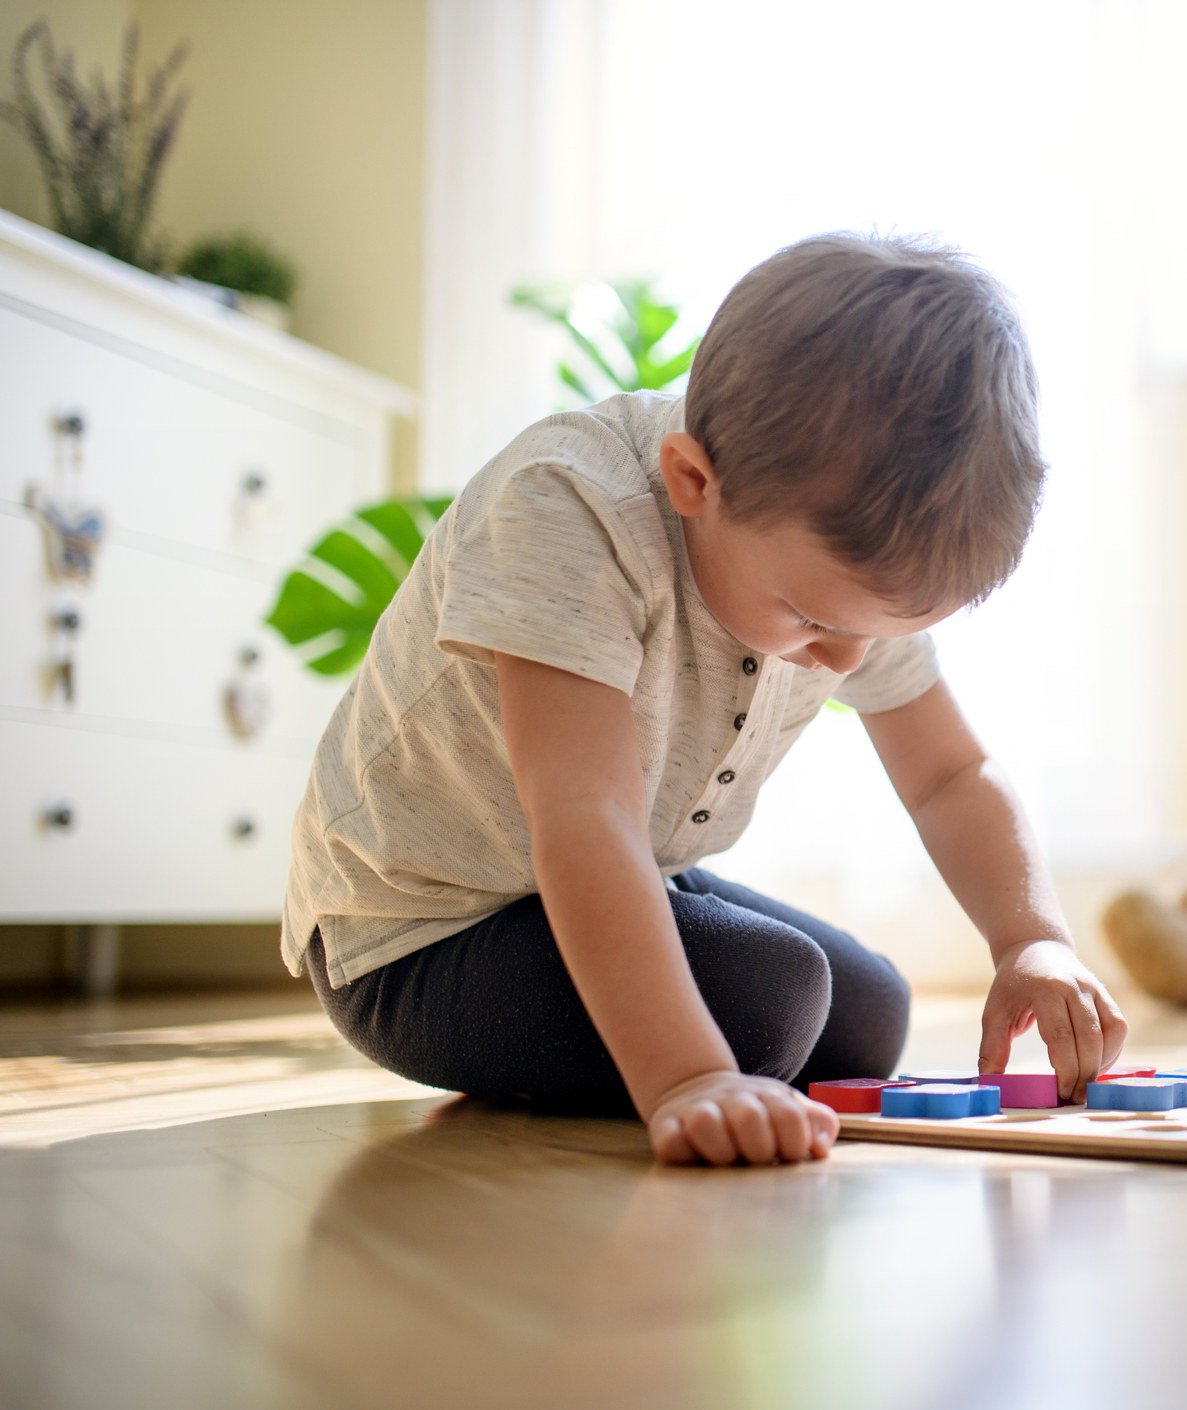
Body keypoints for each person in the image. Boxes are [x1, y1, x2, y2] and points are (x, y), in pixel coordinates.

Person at [281, 234, 1128, 1166]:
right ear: (693, 481)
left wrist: (1030, 941)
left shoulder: (837, 559)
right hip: (418, 934)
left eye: (871, 635)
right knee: (768, 999)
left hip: (602, 871)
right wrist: (688, 1081)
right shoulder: (569, 508)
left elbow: (950, 773)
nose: (840, 660)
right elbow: (585, 818)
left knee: (868, 1013)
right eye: (809, 619)